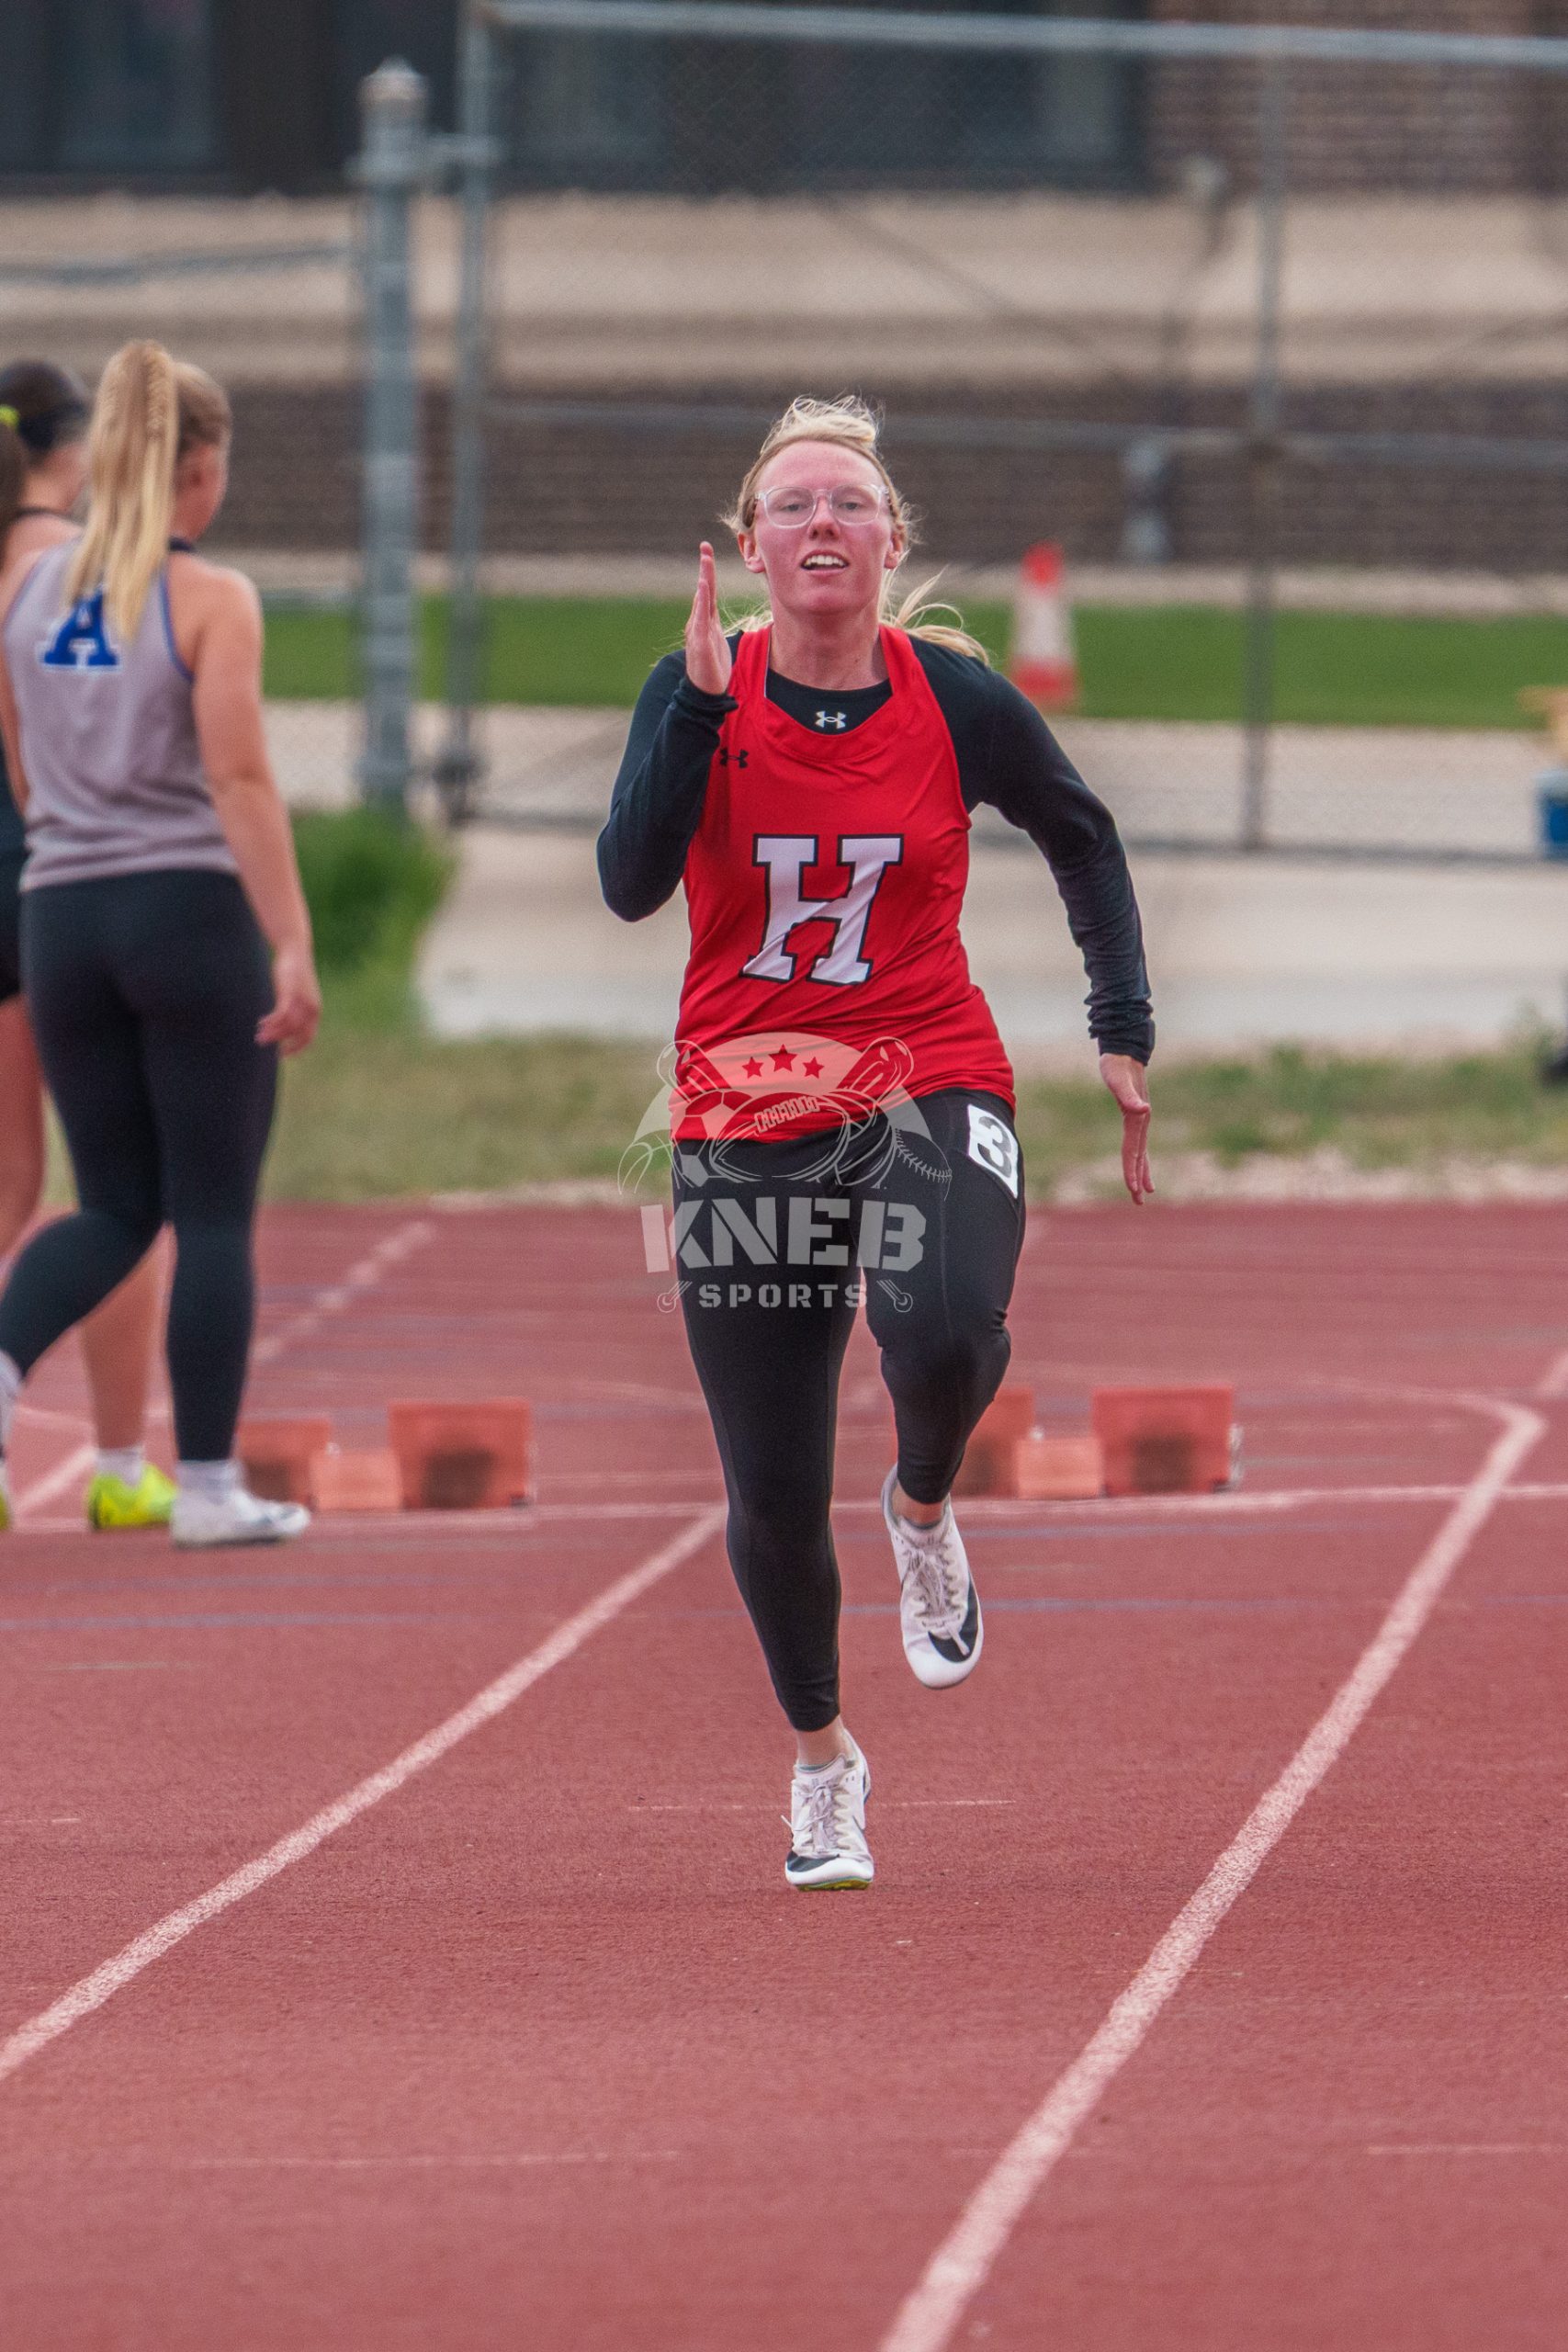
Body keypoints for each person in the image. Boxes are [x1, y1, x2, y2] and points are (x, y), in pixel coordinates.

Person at [600, 395, 1155, 1891]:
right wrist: (693, 713)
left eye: (848, 500)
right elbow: (628, 884)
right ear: (751, 547)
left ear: (890, 539)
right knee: (773, 1495)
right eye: (792, 504)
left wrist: (1120, 1019)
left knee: (950, 1331)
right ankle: (823, 1764)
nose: (822, 523)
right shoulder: (695, 687)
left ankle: (921, 1508)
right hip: (744, 1109)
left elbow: (1081, 833)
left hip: (927, 1076)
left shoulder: (952, 699)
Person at [0, 340, 321, 1547]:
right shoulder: (211, 598)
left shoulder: (25, 590)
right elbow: (238, 778)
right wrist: (290, 940)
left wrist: (74, 845)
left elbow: (21, 761)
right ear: (199, 470)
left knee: (113, 1206)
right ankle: (208, 1487)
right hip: (185, 912)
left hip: (61, 916)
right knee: (214, 1212)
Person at [0, 360, 175, 1530]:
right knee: (123, 1186)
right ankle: (119, 1464)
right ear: (75, 451)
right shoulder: (74, 569)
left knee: (11, 1179)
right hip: (60, 874)